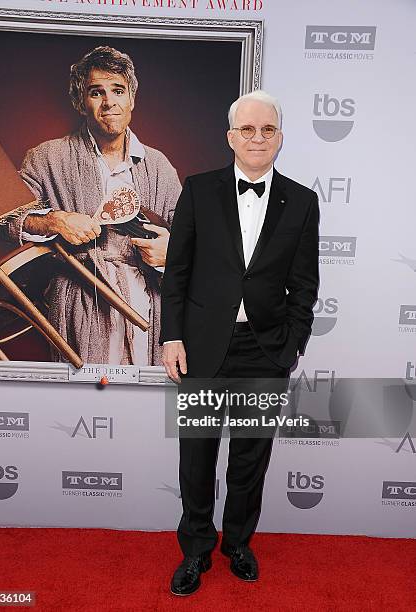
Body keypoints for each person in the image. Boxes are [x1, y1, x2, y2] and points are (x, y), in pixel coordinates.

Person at [160, 90, 319, 595]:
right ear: (230, 137)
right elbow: (177, 272)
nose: (257, 138)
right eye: (246, 129)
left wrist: (291, 343)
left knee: (251, 458)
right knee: (197, 456)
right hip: (203, 347)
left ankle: (238, 543)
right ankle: (196, 551)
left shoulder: (302, 201)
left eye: (267, 129)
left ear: (280, 138)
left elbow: (305, 284)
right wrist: (172, 337)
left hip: (266, 350)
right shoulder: (199, 190)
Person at [7, 46, 181, 365]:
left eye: (118, 90)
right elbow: (9, 219)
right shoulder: (47, 157)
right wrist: (53, 221)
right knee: (85, 402)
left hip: (148, 304)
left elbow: (196, 233)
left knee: (143, 404)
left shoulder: (158, 165)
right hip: (80, 299)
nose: (109, 102)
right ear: (80, 102)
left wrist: (175, 249)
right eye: (96, 92)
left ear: (131, 99)